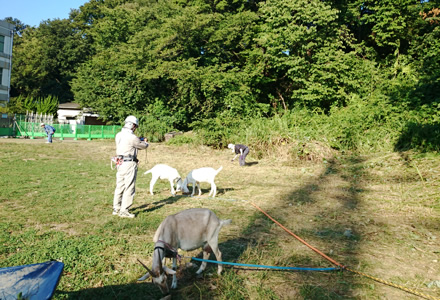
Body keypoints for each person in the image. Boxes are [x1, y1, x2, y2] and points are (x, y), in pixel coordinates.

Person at [113, 115, 149, 218]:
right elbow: (142, 146)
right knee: (129, 187)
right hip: (129, 163)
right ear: (132, 125)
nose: (135, 128)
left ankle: (116, 208)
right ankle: (124, 211)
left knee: (120, 186)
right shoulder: (132, 137)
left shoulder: (119, 135)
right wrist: (145, 142)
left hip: (120, 162)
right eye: (135, 126)